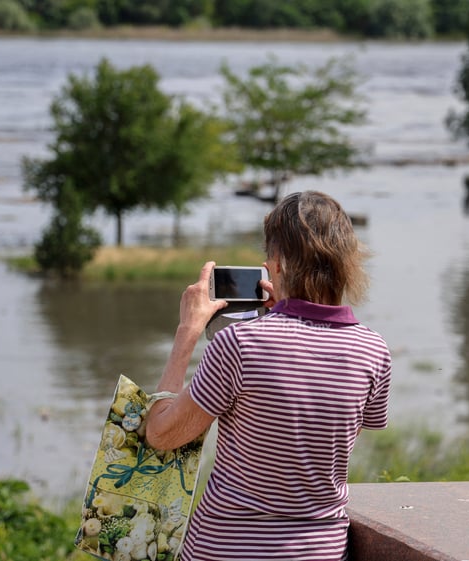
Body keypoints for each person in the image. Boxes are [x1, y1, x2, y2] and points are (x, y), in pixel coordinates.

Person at [145, 190, 392, 561]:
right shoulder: (373, 351)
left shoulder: (238, 344)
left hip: (226, 550)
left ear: (275, 265)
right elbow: (322, 439)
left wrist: (188, 331)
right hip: (319, 552)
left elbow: (162, 435)